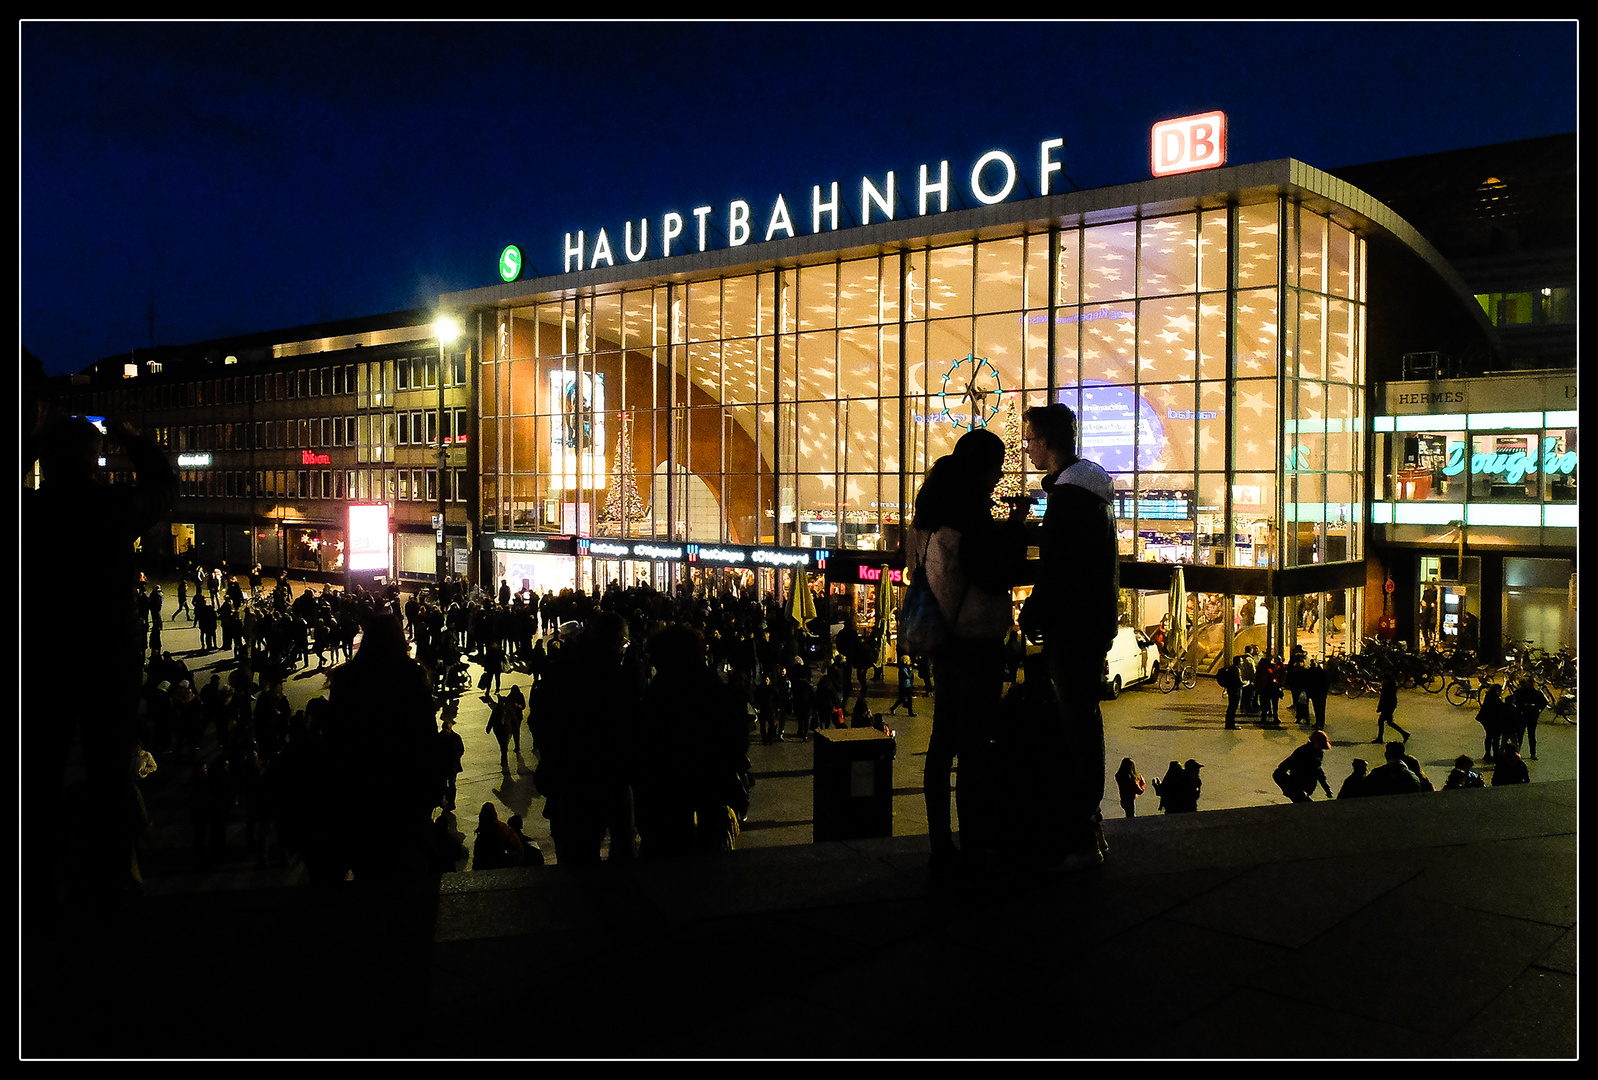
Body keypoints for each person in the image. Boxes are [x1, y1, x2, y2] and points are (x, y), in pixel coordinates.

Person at [22, 414, 178, 918]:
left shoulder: (31, 511)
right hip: (109, 657)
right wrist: (133, 440)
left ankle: (38, 890)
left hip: (44, 656)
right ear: (95, 459)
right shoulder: (114, 507)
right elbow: (164, 486)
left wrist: (32, 443)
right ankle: (111, 887)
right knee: (111, 773)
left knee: (38, 773)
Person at [906, 428, 1025, 881]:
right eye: (995, 468)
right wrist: (1014, 528)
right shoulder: (969, 515)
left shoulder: (928, 513)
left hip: (942, 640)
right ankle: (973, 844)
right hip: (975, 640)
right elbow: (996, 575)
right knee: (973, 747)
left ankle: (941, 844)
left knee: (942, 744)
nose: (997, 478)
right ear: (980, 468)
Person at [1019, 403, 1118, 871]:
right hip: (1089, 624)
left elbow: (1059, 566)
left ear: (1049, 441)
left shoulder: (1070, 498)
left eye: (1031, 438)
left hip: (1073, 628)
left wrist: (1034, 611)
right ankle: (1085, 819)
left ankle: (1083, 825)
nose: (1027, 447)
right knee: (1082, 716)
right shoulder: (1087, 492)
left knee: (1077, 720)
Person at [1273, 730, 1334, 803]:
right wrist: (1287, 788)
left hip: (1305, 790)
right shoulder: (1302, 752)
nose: (1321, 749)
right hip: (1298, 788)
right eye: (1320, 746)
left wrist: (1327, 790)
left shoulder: (1317, 753)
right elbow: (1281, 769)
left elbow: (1318, 772)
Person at [1374, 674, 1410, 743]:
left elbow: (1384, 698)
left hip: (1387, 707)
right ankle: (1404, 734)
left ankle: (1380, 738)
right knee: (1389, 722)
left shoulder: (1387, 687)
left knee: (1381, 721)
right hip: (1390, 706)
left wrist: (1380, 707)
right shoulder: (1391, 686)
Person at [1218, 655, 1244, 729]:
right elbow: (1237, 681)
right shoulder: (1236, 669)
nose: (1242, 662)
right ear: (1238, 662)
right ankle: (1231, 724)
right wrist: (1244, 683)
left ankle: (1229, 723)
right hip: (1235, 690)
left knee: (1231, 707)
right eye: (1241, 661)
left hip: (1230, 689)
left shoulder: (1231, 668)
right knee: (1233, 708)